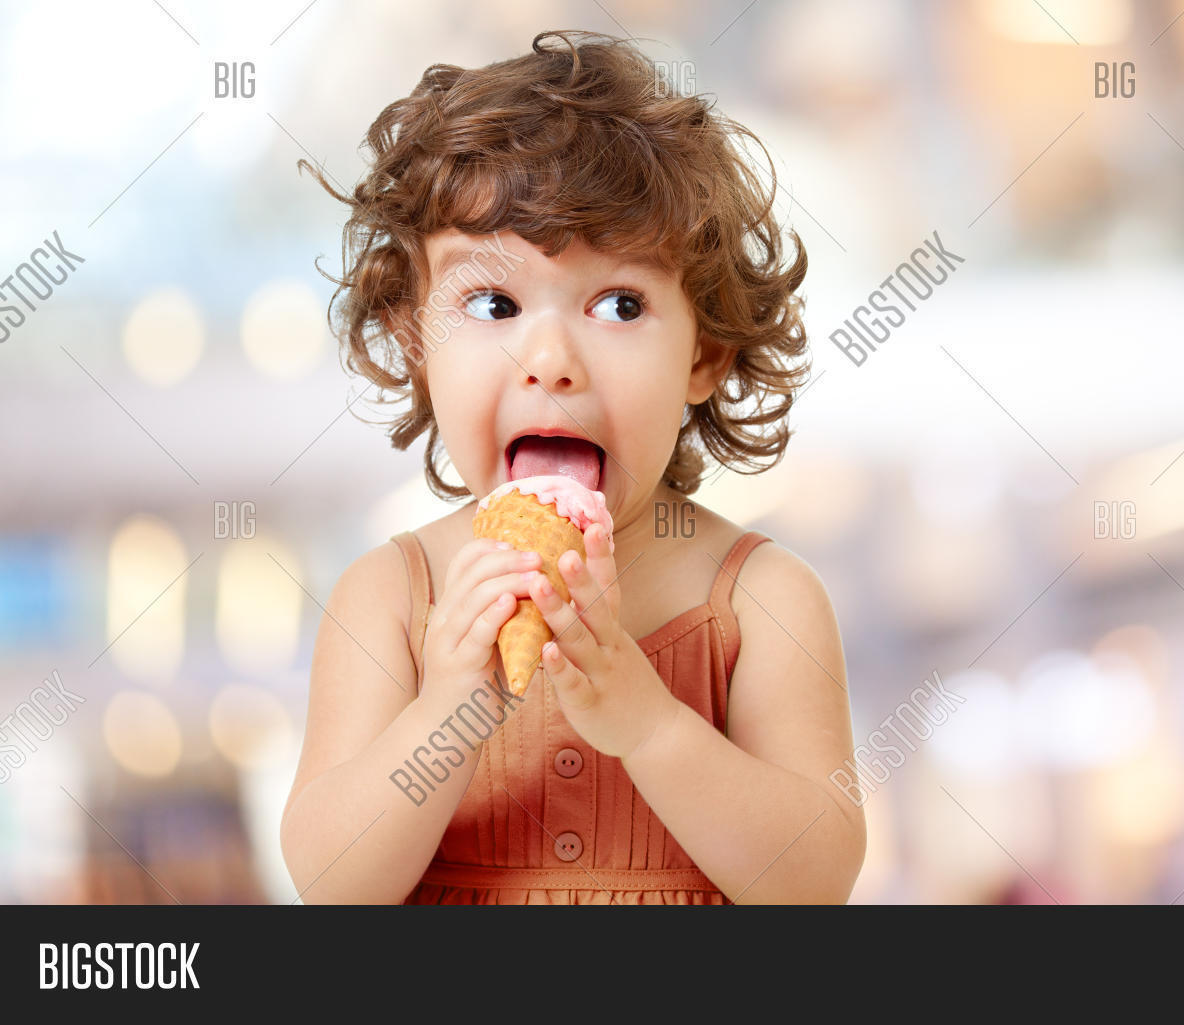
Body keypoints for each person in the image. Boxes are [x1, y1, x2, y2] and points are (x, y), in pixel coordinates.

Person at [279, 30, 865, 904]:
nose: (549, 357)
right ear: (415, 338)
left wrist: (651, 724)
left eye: (619, 303)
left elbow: (815, 879)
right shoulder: (392, 598)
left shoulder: (762, 600)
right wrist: (447, 707)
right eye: (493, 302)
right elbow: (332, 881)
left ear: (704, 353)